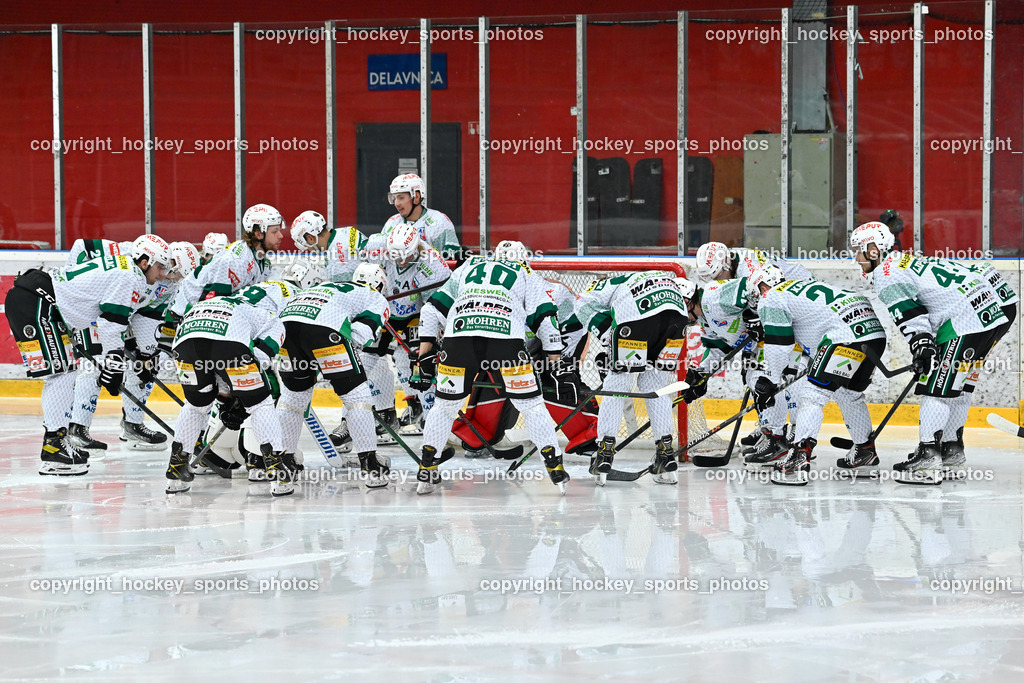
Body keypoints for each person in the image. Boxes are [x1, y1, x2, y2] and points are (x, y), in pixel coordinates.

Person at [850, 221, 1007, 480]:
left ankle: (928, 457)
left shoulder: (887, 274)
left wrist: (922, 345)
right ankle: (951, 450)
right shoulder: (901, 260)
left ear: (873, 249)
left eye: (859, 251)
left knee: (935, 390)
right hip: (987, 317)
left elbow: (910, 314)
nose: (856, 258)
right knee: (957, 389)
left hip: (963, 323)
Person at [5, 234, 170, 475]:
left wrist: (118, 359)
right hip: (39, 303)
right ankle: (54, 447)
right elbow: (111, 324)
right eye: (160, 267)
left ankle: (57, 442)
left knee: (65, 373)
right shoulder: (131, 277)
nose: (163, 274)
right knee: (61, 375)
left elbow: (108, 318)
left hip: (38, 300)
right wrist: (114, 366)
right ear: (144, 262)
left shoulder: (125, 266)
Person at [415, 255, 568, 495]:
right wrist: (556, 362)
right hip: (505, 340)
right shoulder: (524, 270)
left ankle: (427, 467)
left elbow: (430, 309)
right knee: (531, 405)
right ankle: (554, 466)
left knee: (444, 406)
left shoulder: (470, 265)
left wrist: (422, 358)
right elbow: (545, 315)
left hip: (459, 340)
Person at [746, 264, 888, 484]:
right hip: (873, 334)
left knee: (813, 396)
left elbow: (779, 344)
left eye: (756, 293)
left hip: (844, 337)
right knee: (848, 394)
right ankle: (865, 451)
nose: (757, 300)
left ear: (763, 286)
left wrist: (770, 381)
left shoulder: (772, 296)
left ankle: (798, 458)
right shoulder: (801, 288)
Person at [560, 270, 694, 485]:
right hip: (678, 318)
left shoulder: (603, 287)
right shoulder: (645, 278)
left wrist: (608, 335)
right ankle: (666, 453)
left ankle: (604, 454)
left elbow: (581, 303)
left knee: (616, 386)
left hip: (637, 318)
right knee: (656, 386)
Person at [165, 279, 295, 495]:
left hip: (185, 342)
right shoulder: (269, 316)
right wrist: (245, 397)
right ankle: (276, 469)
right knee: (260, 403)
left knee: (195, 405)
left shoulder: (228, 303)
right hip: (227, 343)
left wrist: (227, 398)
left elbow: (215, 363)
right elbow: (259, 358)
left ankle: (176, 470)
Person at [276, 262, 394, 489]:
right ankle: (371, 466)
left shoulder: (328, 287)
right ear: (380, 285)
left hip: (286, 328)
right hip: (324, 330)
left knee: (293, 398)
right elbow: (360, 336)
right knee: (357, 397)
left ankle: (283, 467)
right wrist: (337, 362)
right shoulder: (375, 297)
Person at [377, 224, 452, 436]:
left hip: (418, 314)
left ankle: (431, 415)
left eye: (405, 257)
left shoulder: (432, 264)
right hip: (388, 311)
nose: (400, 261)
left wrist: (437, 332)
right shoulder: (377, 245)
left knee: (421, 362)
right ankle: (412, 405)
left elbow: (433, 306)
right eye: (396, 257)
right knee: (390, 359)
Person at [166, 203, 284, 324]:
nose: (281, 236)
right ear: (258, 234)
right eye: (275, 231)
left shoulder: (263, 262)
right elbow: (211, 306)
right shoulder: (235, 261)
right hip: (183, 315)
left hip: (206, 314)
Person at [382, 173, 465, 264]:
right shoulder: (392, 222)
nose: (396, 204)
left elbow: (451, 262)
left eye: (401, 198)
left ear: (416, 197)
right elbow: (383, 259)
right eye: (394, 198)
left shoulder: (440, 221)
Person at [290, 209, 369, 283]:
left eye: (305, 244)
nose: (308, 249)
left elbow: (343, 290)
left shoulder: (336, 257)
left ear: (311, 238)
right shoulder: (345, 231)